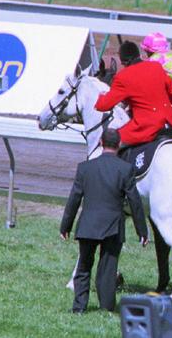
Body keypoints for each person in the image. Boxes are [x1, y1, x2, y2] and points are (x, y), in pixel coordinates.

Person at [60, 128, 149, 313]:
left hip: (88, 224)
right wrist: (142, 231)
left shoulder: (85, 168)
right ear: (119, 145)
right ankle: (107, 307)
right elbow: (135, 202)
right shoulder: (125, 169)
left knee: (84, 266)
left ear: (101, 143)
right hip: (113, 226)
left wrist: (65, 226)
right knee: (108, 269)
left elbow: (74, 199)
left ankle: (79, 307)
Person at [95, 41, 172, 146]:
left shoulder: (123, 76)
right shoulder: (157, 67)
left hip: (147, 127)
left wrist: (101, 93)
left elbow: (103, 106)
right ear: (138, 55)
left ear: (124, 61)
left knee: (113, 141)